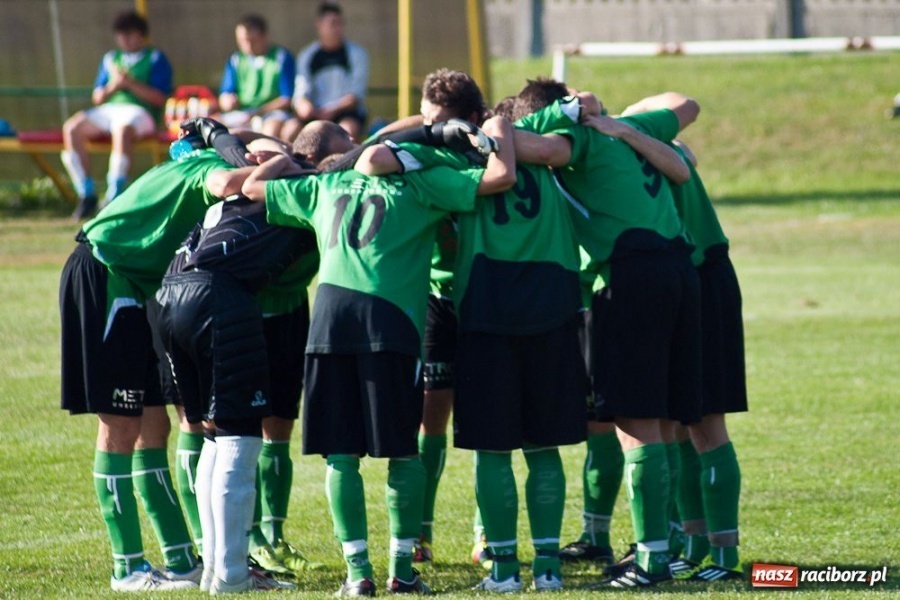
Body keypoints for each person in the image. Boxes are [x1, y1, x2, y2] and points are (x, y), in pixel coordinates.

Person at [241, 116, 515, 596]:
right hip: (389, 322)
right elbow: (497, 177)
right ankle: (401, 571)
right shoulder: (421, 184)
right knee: (401, 453)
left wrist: (287, 157)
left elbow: (253, 188)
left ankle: (357, 575)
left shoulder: (325, 184)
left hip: (328, 319)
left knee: (340, 457)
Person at [513, 79, 701, 589]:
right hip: (678, 269)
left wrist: (505, 127)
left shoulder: (579, 140)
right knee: (660, 422)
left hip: (630, 274)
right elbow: (687, 104)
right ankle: (663, 547)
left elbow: (526, 145)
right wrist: (626, 122)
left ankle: (652, 561)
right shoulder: (632, 127)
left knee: (635, 422)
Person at [58, 119, 259, 592]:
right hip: (107, 276)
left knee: (155, 424)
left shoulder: (188, 162)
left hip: (128, 283)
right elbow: (231, 181)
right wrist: (254, 163)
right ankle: (126, 567)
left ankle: (180, 559)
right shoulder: (203, 168)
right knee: (120, 425)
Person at [155, 148, 318, 591]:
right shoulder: (302, 185)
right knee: (240, 439)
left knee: (213, 433)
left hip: (171, 294)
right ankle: (230, 573)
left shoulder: (245, 188)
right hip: (219, 298)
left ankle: (215, 568)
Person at [620, 93, 746, 583]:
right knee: (675, 421)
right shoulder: (655, 146)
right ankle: (692, 547)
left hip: (702, 277)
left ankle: (725, 557)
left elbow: (682, 102)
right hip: (680, 284)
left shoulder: (628, 149)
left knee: (706, 423)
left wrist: (629, 124)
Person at [61, 9, 173, 220]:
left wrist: (130, 83)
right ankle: (87, 194)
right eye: (121, 34)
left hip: (140, 113)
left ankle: (115, 194)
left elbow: (160, 98)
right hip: (110, 111)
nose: (125, 39)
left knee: (122, 130)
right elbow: (98, 97)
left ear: (141, 35)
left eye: (130, 34)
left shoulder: (155, 57)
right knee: (72, 128)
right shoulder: (111, 59)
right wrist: (114, 85)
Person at [282, 2, 369, 142]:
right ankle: (294, 163)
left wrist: (332, 110)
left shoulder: (356, 53)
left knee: (347, 132)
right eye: (333, 24)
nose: (338, 29)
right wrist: (304, 105)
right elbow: (301, 92)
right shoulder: (307, 55)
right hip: (316, 113)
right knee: (290, 130)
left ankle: (344, 164)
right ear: (319, 24)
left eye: (340, 23)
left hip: (345, 113)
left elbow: (355, 97)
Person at [216, 14, 295, 140]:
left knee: (270, 131)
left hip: (272, 114)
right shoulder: (235, 60)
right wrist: (227, 101)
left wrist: (257, 112)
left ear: (265, 36)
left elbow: (286, 100)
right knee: (212, 126)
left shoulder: (281, 57)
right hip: (242, 114)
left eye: (252, 40)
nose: (247, 46)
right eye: (242, 41)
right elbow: (225, 94)